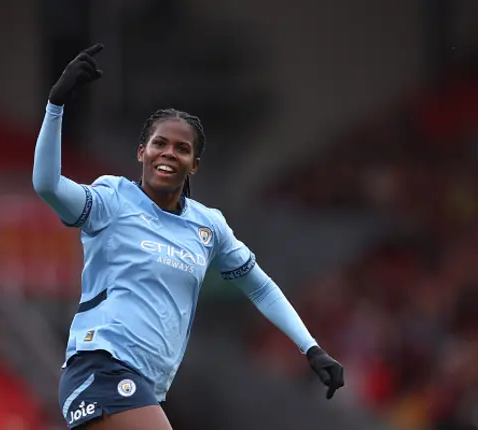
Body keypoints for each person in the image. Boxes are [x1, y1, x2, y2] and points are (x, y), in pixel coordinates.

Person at [33, 44, 345, 430]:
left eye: (182, 148)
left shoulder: (208, 226)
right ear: (141, 152)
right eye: (159, 143)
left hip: (146, 384)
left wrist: (311, 348)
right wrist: (56, 106)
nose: (168, 153)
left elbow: (261, 288)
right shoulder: (112, 200)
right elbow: (47, 185)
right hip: (100, 367)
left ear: (194, 164)